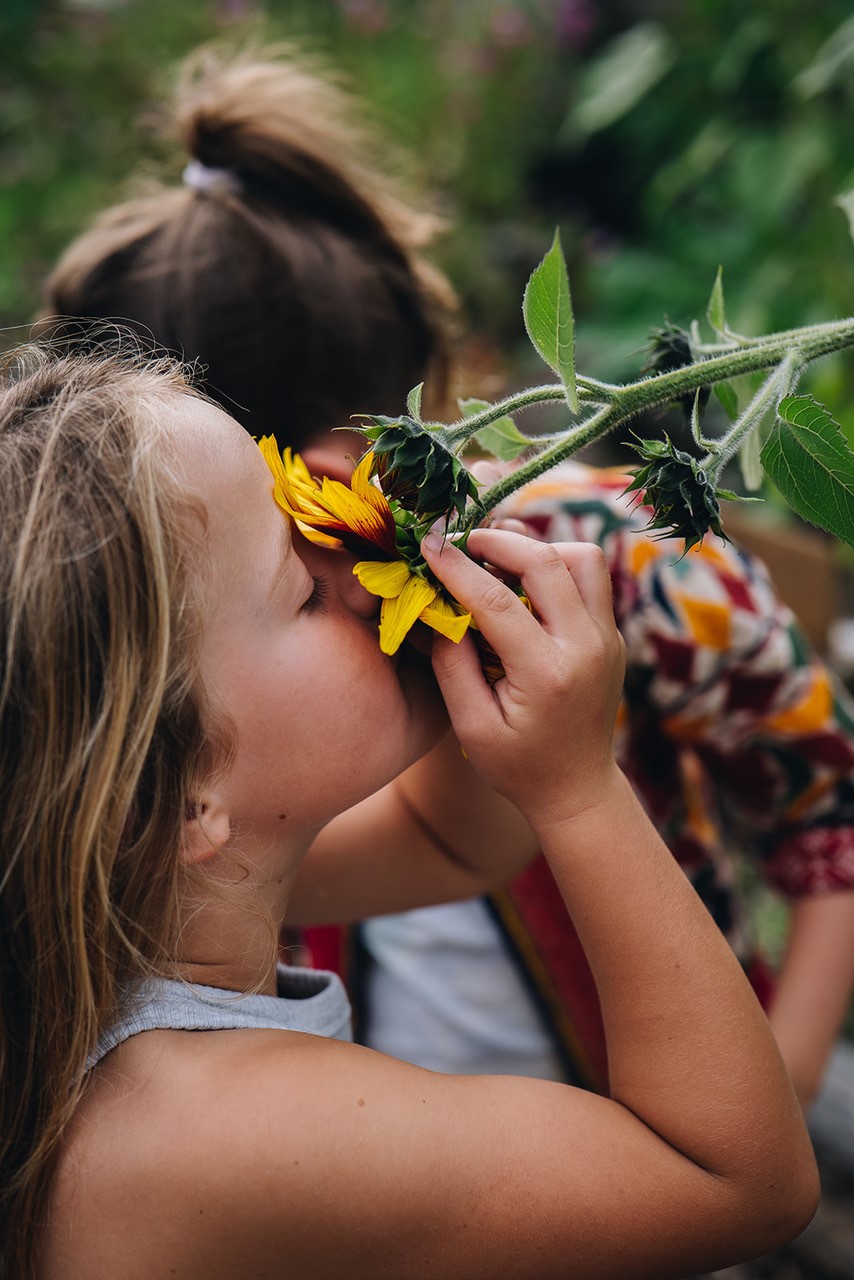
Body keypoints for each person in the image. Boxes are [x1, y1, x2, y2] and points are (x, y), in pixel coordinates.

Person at [38, 45, 854, 1112]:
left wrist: (782, 1063)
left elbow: (824, 809)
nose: (337, 571)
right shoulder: (172, 693)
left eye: (301, 544)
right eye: (286, 568)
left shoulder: (618, 555)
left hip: (653, 1097)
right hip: (390, 1145)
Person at [0, 340, 820, 1279]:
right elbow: (738, 1183)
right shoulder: (220, 1137)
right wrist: (581, 790)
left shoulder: (108, 913)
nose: (357, 571)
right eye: (305, 588)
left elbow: (451, 844)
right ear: (181, 801)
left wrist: (467, 647)